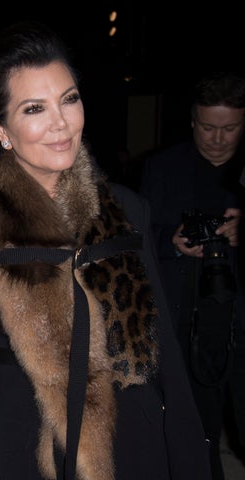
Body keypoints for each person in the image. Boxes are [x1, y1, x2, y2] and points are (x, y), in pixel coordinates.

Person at [0, 21, 212, 480]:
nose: (60, 123)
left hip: (132, 441)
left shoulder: (126, 209)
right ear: (0, 128)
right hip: (22, 445)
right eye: (34, 108)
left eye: (69, 99)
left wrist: (188, 455)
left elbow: (166, 351)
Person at [139, 71, 245, 480]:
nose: (217, 139)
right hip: (187, 325)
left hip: (240, 323)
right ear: (192, 121)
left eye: (230, 128)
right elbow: (139, 238)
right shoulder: (164, 167)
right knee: (196, 435)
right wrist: (172, 240)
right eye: (207, 127)